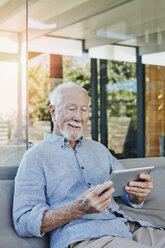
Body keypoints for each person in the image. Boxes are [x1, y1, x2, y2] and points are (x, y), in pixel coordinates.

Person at [13, 82, 165, 248]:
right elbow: (23, 221)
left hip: (126, 227)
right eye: (71, 108)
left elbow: (127, 194)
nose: (78, 117)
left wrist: (138, 194)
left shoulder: (99, 149)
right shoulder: (35, 157)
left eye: (84, 110)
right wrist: (77, 209)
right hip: (85, 237)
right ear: (53, 112)